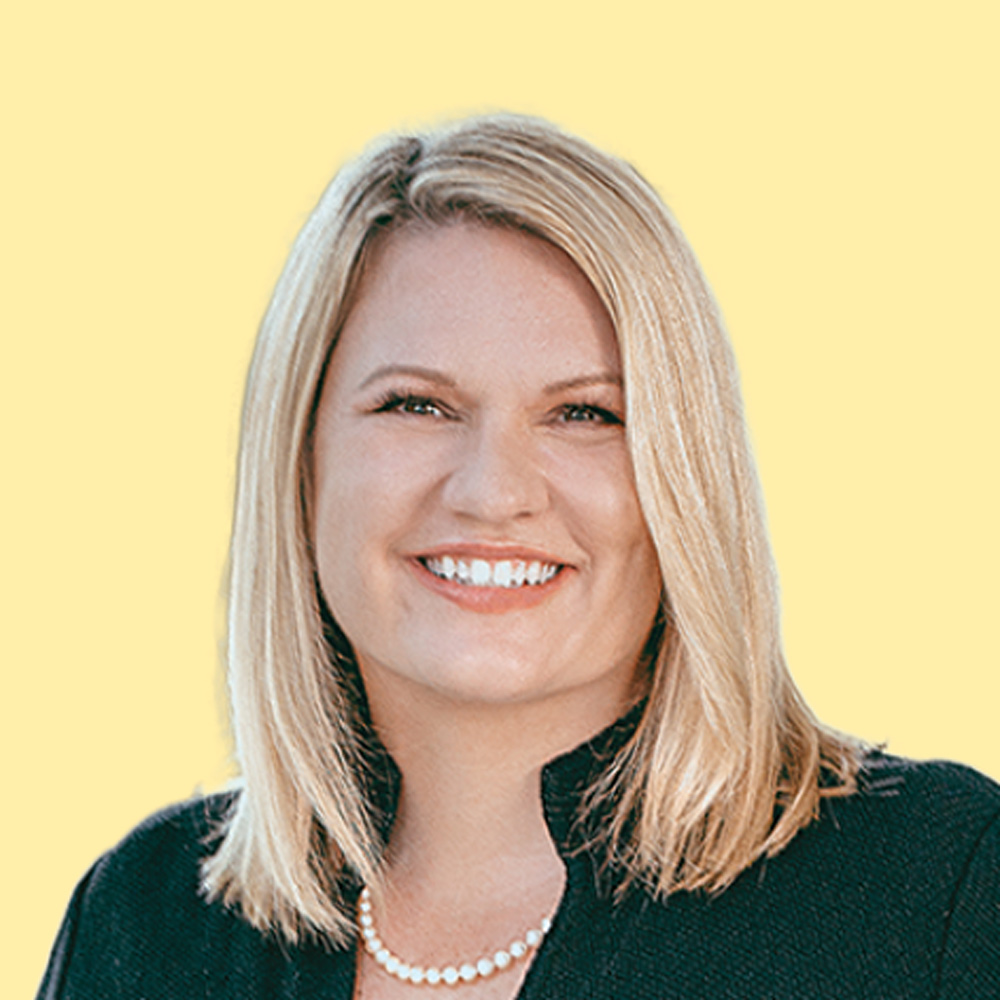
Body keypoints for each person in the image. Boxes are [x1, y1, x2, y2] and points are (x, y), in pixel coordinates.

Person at [38, 114, 999, 1000]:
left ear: (685, 477)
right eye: (416, 405)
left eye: (585, 414)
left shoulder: (942, 886)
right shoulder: (148, 924)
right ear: (301, 458)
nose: (494, 491)